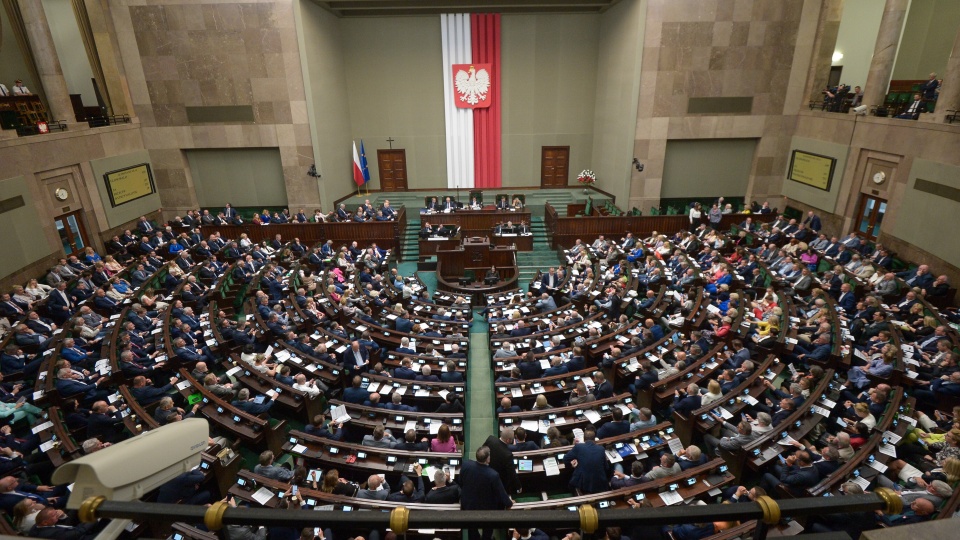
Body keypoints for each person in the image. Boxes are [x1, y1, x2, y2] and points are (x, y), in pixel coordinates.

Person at [458, 446, 513, 540]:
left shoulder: (466, 465)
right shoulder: (493, 475)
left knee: (472, 528)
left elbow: (460, 482)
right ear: (488, 459)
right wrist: (509, 503)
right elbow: (501, 493)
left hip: (469, 505)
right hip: (487, 508)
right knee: (487, 528)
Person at [562, 427, 609, 494]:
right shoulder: (601, 449)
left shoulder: (579, 447)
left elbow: (565, 459)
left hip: (584, 483)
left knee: (571, 484)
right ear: (594, 439)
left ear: (584, 439)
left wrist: (572, 464)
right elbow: (606, 467)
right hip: (599, 482)